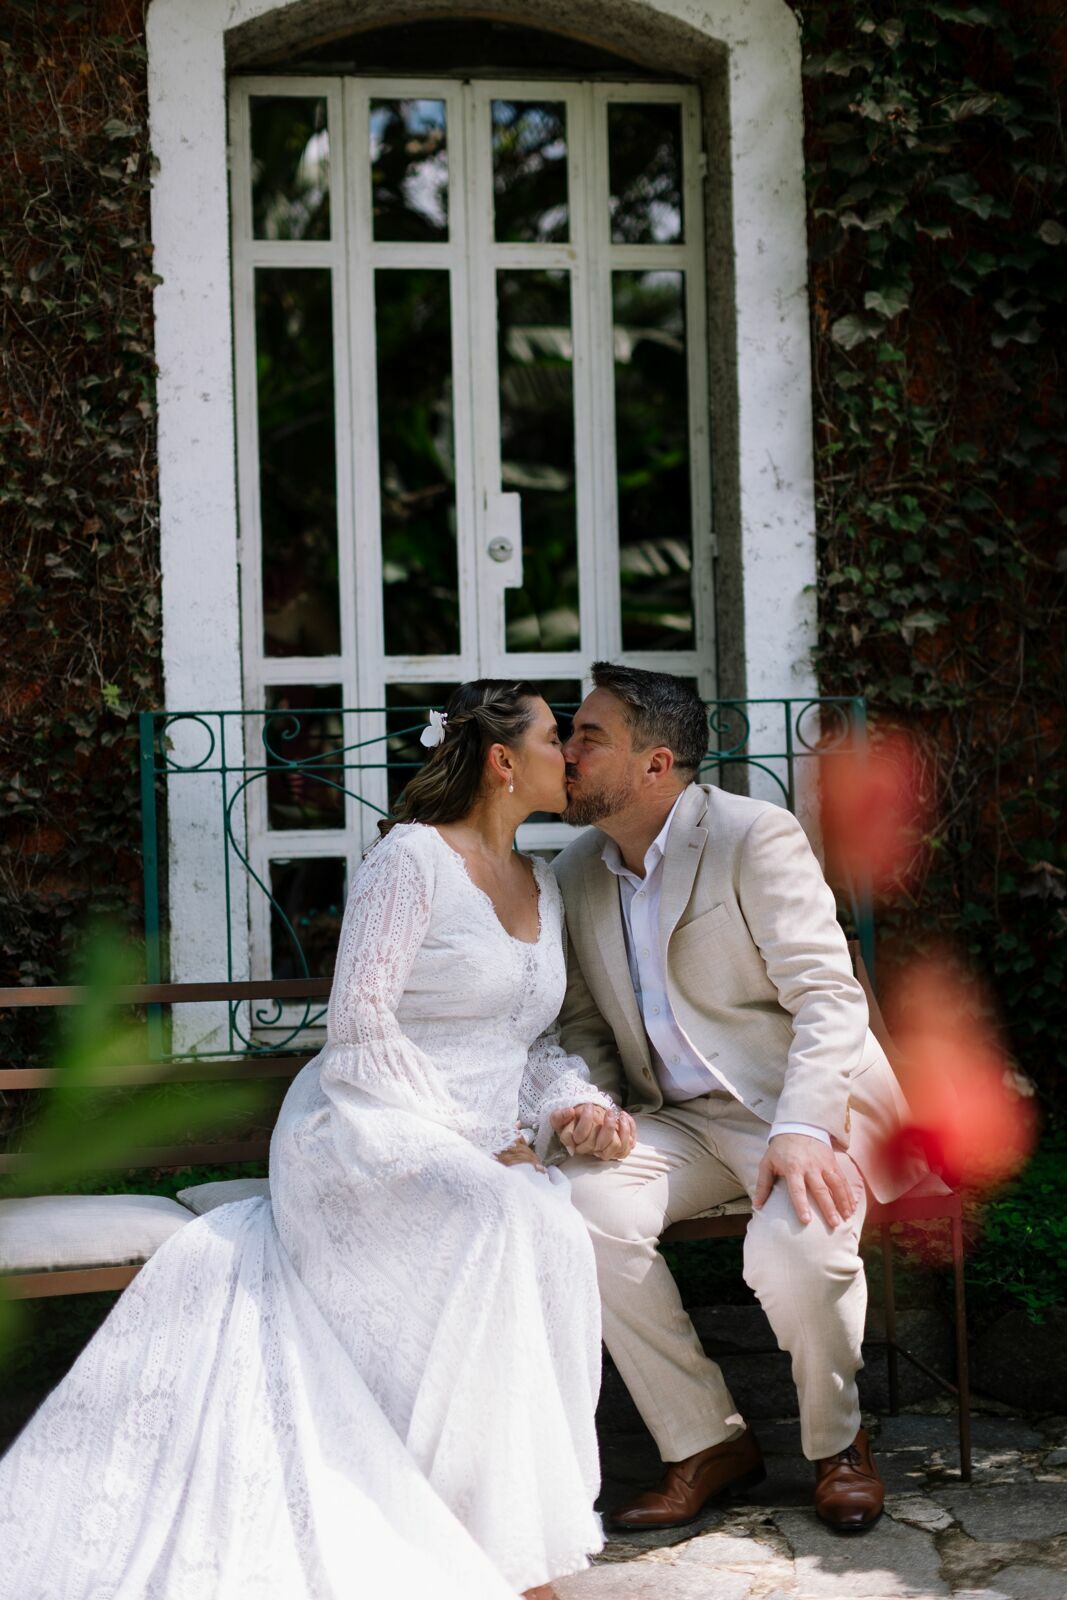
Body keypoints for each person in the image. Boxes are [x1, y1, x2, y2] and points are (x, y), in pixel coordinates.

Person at [0, 680, 633, 1600]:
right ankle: (455, 1525)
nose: (569, 756)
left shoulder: (543, 884)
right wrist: (467, 1140)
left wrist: (571, 1106)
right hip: (366, 1123)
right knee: (501, 1214)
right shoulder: (409, 861)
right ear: (502, 762)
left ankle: (506, 1526)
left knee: (553, 1230)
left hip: (486, 1142)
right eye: (554, 739)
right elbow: (360, 1025)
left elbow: (524, 1043)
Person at [549, 662, 930, 1535]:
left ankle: (837, 1445)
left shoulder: (751, 836)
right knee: (576, 1208)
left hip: (792, 1107)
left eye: (587, 737)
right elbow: (581, 1025)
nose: (565, 752)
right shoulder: (573, 871)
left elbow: (827, 996)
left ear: (656, 764)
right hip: (676, 1122)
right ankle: (705, 1441)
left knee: (798, 1250)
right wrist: (598, 1105)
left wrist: (802, 1127)